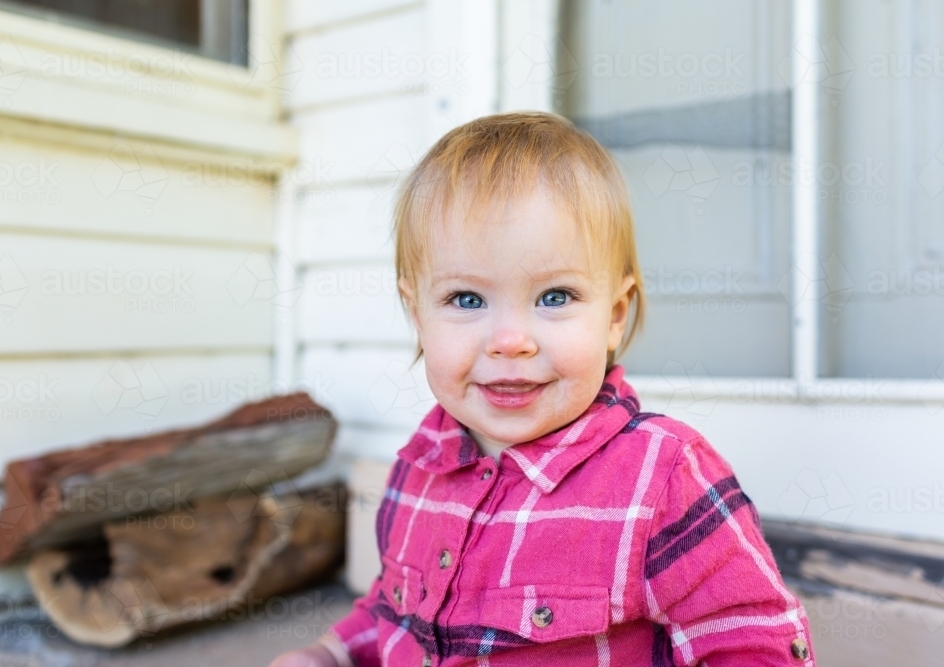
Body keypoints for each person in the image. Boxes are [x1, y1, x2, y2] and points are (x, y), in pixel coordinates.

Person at [269, 112, 814, 666]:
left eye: (554, 297)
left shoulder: (663, 477)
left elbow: (757, 644)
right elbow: (394, 614)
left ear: (614, 316)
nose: (510, 341)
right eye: (466, 300)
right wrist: (330, 654)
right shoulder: (420, 468)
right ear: (417, 314)